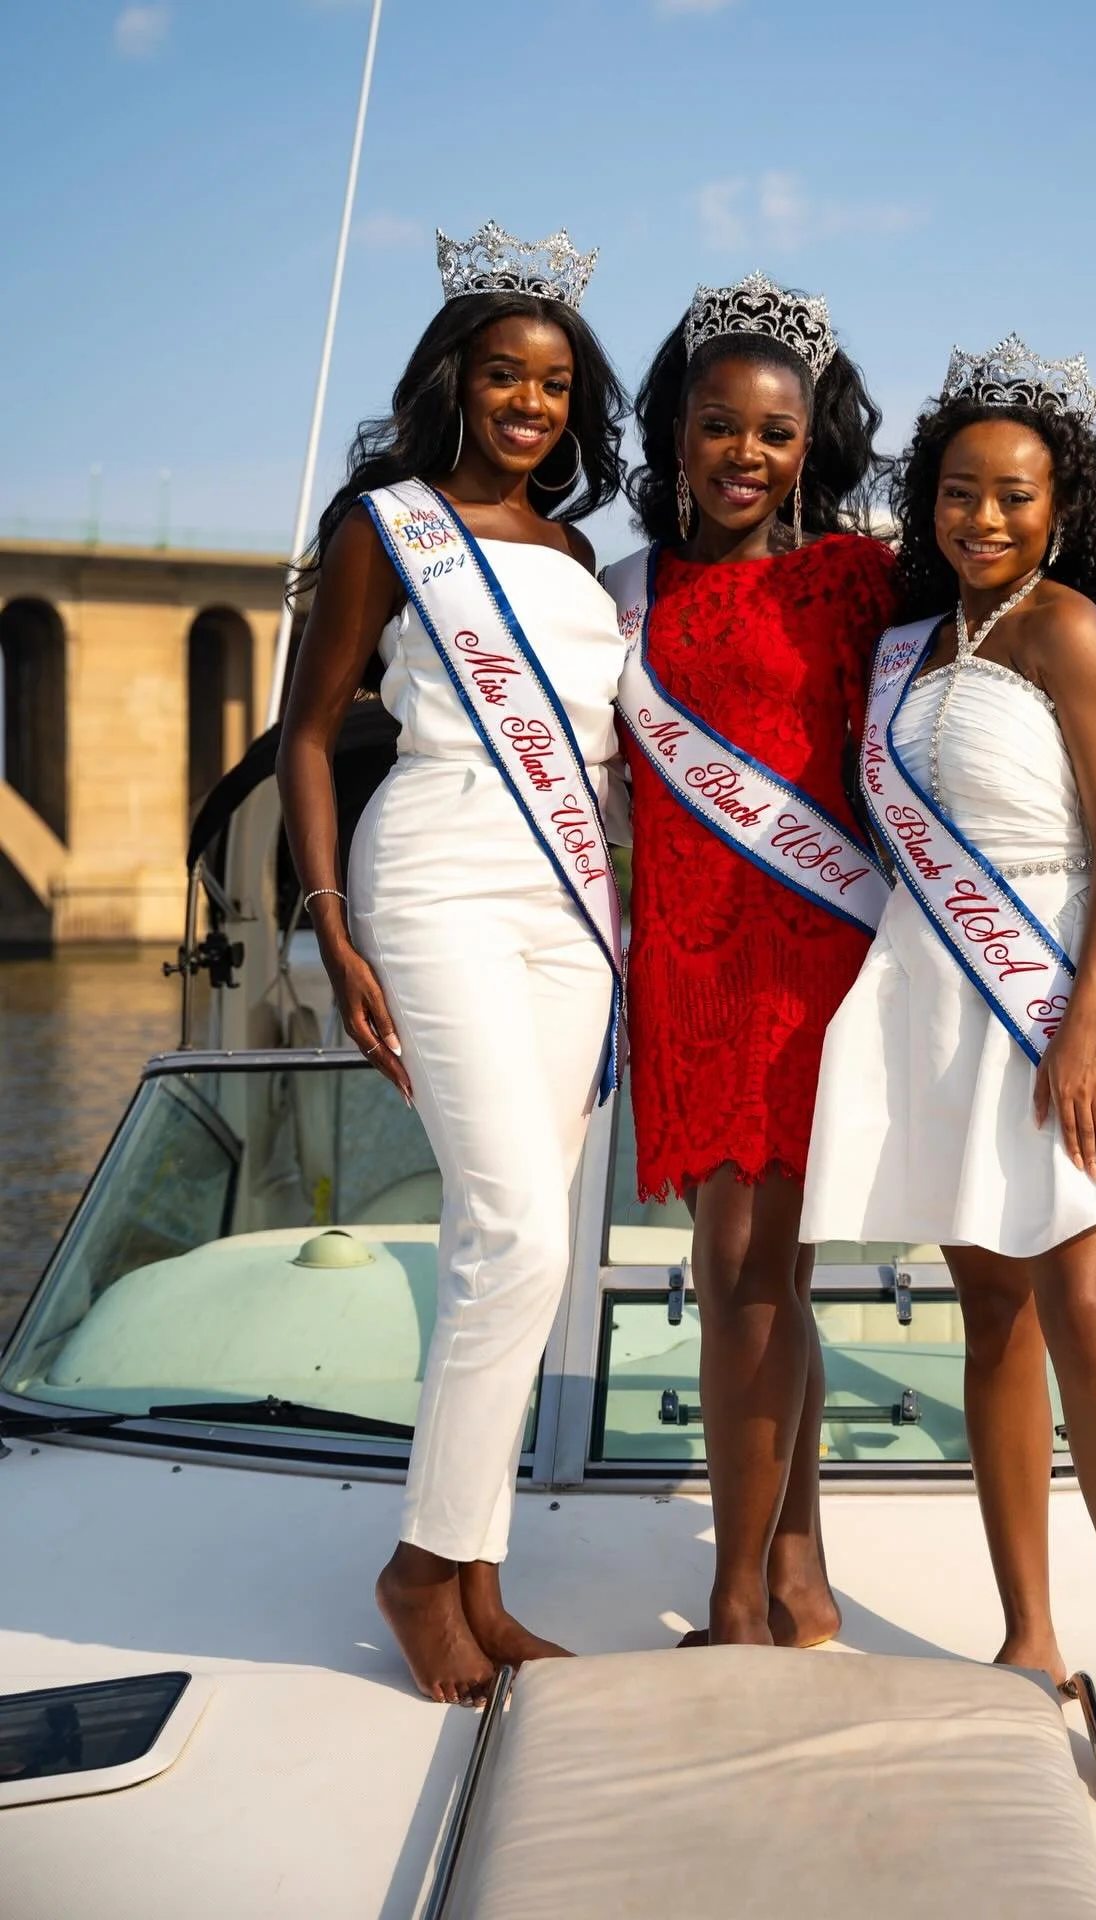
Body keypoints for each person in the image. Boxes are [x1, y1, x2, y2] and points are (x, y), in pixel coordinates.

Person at [603, 290, 1096, 1650]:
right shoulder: (615, 592)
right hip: (693, 961)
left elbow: (1024, 651)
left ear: (814, 443)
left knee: (758, 1265)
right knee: (747, 1264)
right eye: (719, 425)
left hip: (825, 961)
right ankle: (792, 1576)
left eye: (777, 431)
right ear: (674, 435)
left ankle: (749, 1597)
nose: (746, 451)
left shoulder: (867, 581)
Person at [801, 335, 1096, 1807]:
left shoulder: (1071, 632)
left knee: (1090, 1306)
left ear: (1062, 507)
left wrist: (1088, 1022)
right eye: (962, 494)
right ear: (931, 504)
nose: (985, 519)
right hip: (943, 988)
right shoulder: (917, 643)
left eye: (1016, 497)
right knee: (989, 1311)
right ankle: (1029, 1632)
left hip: (1063, 984)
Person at [277, 220, 628, 1705]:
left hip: (569, 908)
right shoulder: (386, 526)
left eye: (554, 385)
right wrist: (329, 919)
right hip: (430, 878)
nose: (531, 405)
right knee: (523, 1232)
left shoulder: (579, 554)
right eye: (505, 377)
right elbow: (305, 735)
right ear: (456, 384)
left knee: (513, 1244)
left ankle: (476, 1581)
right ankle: (421, 1570)